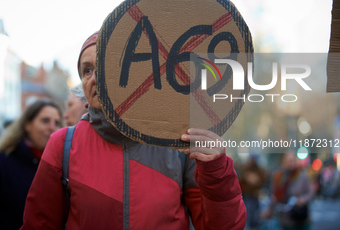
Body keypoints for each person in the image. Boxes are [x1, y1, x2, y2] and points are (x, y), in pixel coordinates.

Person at [21, 32, 246, 230]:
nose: (95, 78)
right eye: (86, 70)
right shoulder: (62, 144)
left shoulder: (177, 140)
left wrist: (217, 172)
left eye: (105, 66)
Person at [0, 98, 63, 230]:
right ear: (27, 124)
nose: (52, 127)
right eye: (45, 121)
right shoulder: (4, 162)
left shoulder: (62, 166)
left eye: (57, 123)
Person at [261, 152, 314, 230]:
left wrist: (302, 200)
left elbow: (310, 193)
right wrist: (269, 209)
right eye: (288, 161)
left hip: (302, 217)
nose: (290, 163)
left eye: (292, 160)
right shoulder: (279, 177)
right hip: (286, 219)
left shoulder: (303, 176)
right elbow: (274, 195)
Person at [239, 155, 267, 230]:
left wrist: (256, 180)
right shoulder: (245, 170)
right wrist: (247, 177)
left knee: (257, 217)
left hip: (257, 196)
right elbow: (241, 182)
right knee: (248, 215)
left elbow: (263, 181)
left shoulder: (260, 170)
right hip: (247, 196)